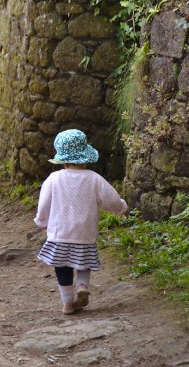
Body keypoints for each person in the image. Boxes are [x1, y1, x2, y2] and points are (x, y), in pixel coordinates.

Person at [34, 129, 128, 314]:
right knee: (83, 262)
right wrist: (122, 208)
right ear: (85, 157)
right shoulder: (94, 179)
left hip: (59, 233)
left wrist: (42, 221)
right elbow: (111, 199)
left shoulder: (54, 179)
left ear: (63, 159)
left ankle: (68, 303)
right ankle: (82, 286)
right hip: (84, 232)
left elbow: (44, 203)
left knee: (62, 267)